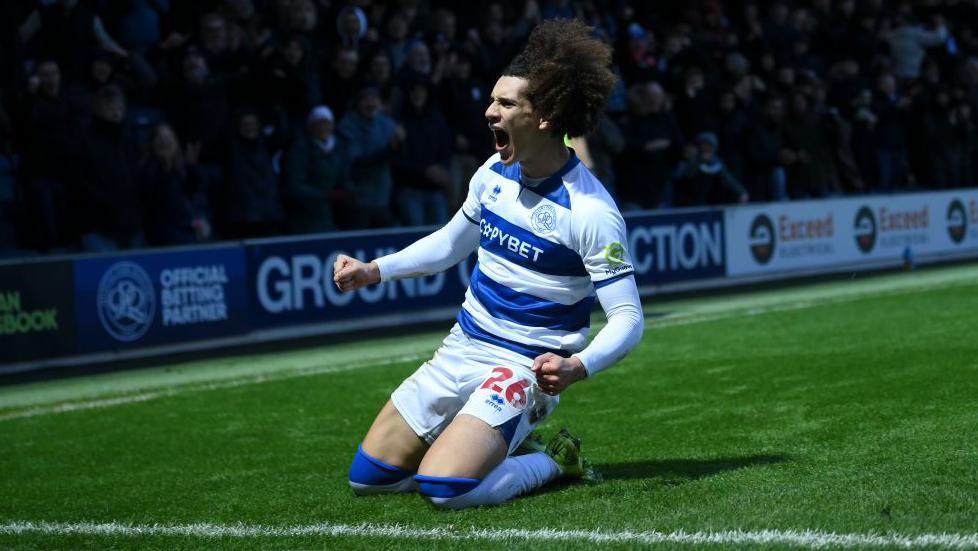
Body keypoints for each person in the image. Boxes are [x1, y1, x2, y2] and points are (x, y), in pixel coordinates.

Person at [333, 19, 644, 510]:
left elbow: (628, 318)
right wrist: (376, 270)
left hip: (523, 367)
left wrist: (576, 366)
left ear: (542, 117)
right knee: (371, 481)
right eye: (492, 99)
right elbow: (451, 243)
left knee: (444, 491)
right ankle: (473, 444)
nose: (489, 111)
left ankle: (552, 459)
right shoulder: (493, 172)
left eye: (505, 104)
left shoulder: (591, 212)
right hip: (461, 347)